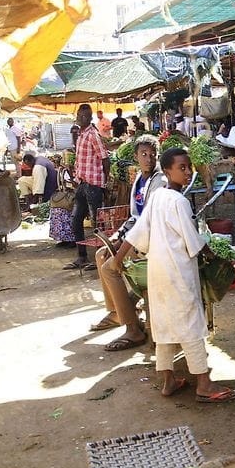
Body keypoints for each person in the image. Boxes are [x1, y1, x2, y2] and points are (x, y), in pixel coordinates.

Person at [112, 147, 235, 403]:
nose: (187, 171)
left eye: (188, 167)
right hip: (178, 273)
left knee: (164, 325)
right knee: (190, 325)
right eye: (181, 167)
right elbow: (193, 241)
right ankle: (203, 384)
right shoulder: (179, 201)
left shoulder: (158, 196)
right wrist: (216, 257)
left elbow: (138, 230)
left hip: (158, 272)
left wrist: (117, 259)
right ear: (167, 170)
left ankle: (168, 381)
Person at [91, 135, 163, 350]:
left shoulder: (159, 181)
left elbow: (148, 221)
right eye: (143, 155)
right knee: (101, 254)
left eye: (152, 155)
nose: (148, 159)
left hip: (150, 243)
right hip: (137, 237)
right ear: (135, 157)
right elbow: (134, 217)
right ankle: (117, 311)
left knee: (110, 267)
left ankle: (132, 328)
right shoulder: (139, 182)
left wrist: (124, 243)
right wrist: (119, 234)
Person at [64, 104, 107, 270]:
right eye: (79, 116)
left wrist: (103, 184)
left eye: (84, 117)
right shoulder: (81, 134)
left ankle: (100, 259)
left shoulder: (93, 135)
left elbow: (104, 159)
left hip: (94, 184)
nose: (81, 119)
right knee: (76, 220)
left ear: (90, 118)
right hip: (83, 184)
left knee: (97, 223)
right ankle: (81, 256)